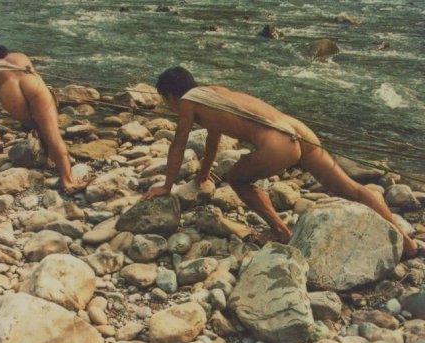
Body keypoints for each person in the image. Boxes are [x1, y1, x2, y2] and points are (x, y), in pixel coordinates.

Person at [145, 66, 418, 258]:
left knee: (237, 179)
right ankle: (406, 242)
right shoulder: (213, 93)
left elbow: (178, 143)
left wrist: (167, 185)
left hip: (277, 143)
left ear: (171, 96)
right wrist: (203, 174)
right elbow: (213, 138)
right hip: (297, 129)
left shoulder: (188, 103)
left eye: (166, 101)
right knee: (350, 187)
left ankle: (280, 230)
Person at [0, 44, 90, 194]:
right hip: (32, 84)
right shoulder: (20, 56)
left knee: (38, 127)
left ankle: (64, 177)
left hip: (11, 92)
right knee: (52, 133)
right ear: (4, 54)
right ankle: (67, 177)